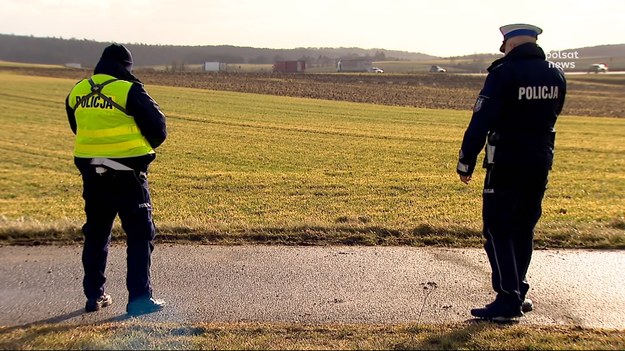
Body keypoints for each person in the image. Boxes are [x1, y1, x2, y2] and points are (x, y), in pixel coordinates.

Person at [456, 24, 566, 320]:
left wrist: (466, 160)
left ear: (511, 45)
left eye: (504, 44)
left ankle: (508, 300)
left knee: (497, 229)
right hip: (540, 161)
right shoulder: (555, 74)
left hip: (506, 161)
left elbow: (481, 120)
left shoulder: (503, 74)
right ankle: (519, 292)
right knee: (523, 229)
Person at [65, 43, 167, 315]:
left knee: (97, 234)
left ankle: (94, 295)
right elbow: (159, 128)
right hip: (128, 176)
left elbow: (77, 126)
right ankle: (139, 299)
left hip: (92, 174)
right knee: (140, 235)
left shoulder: (78, 90)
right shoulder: (129, 89)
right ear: (126, 66)